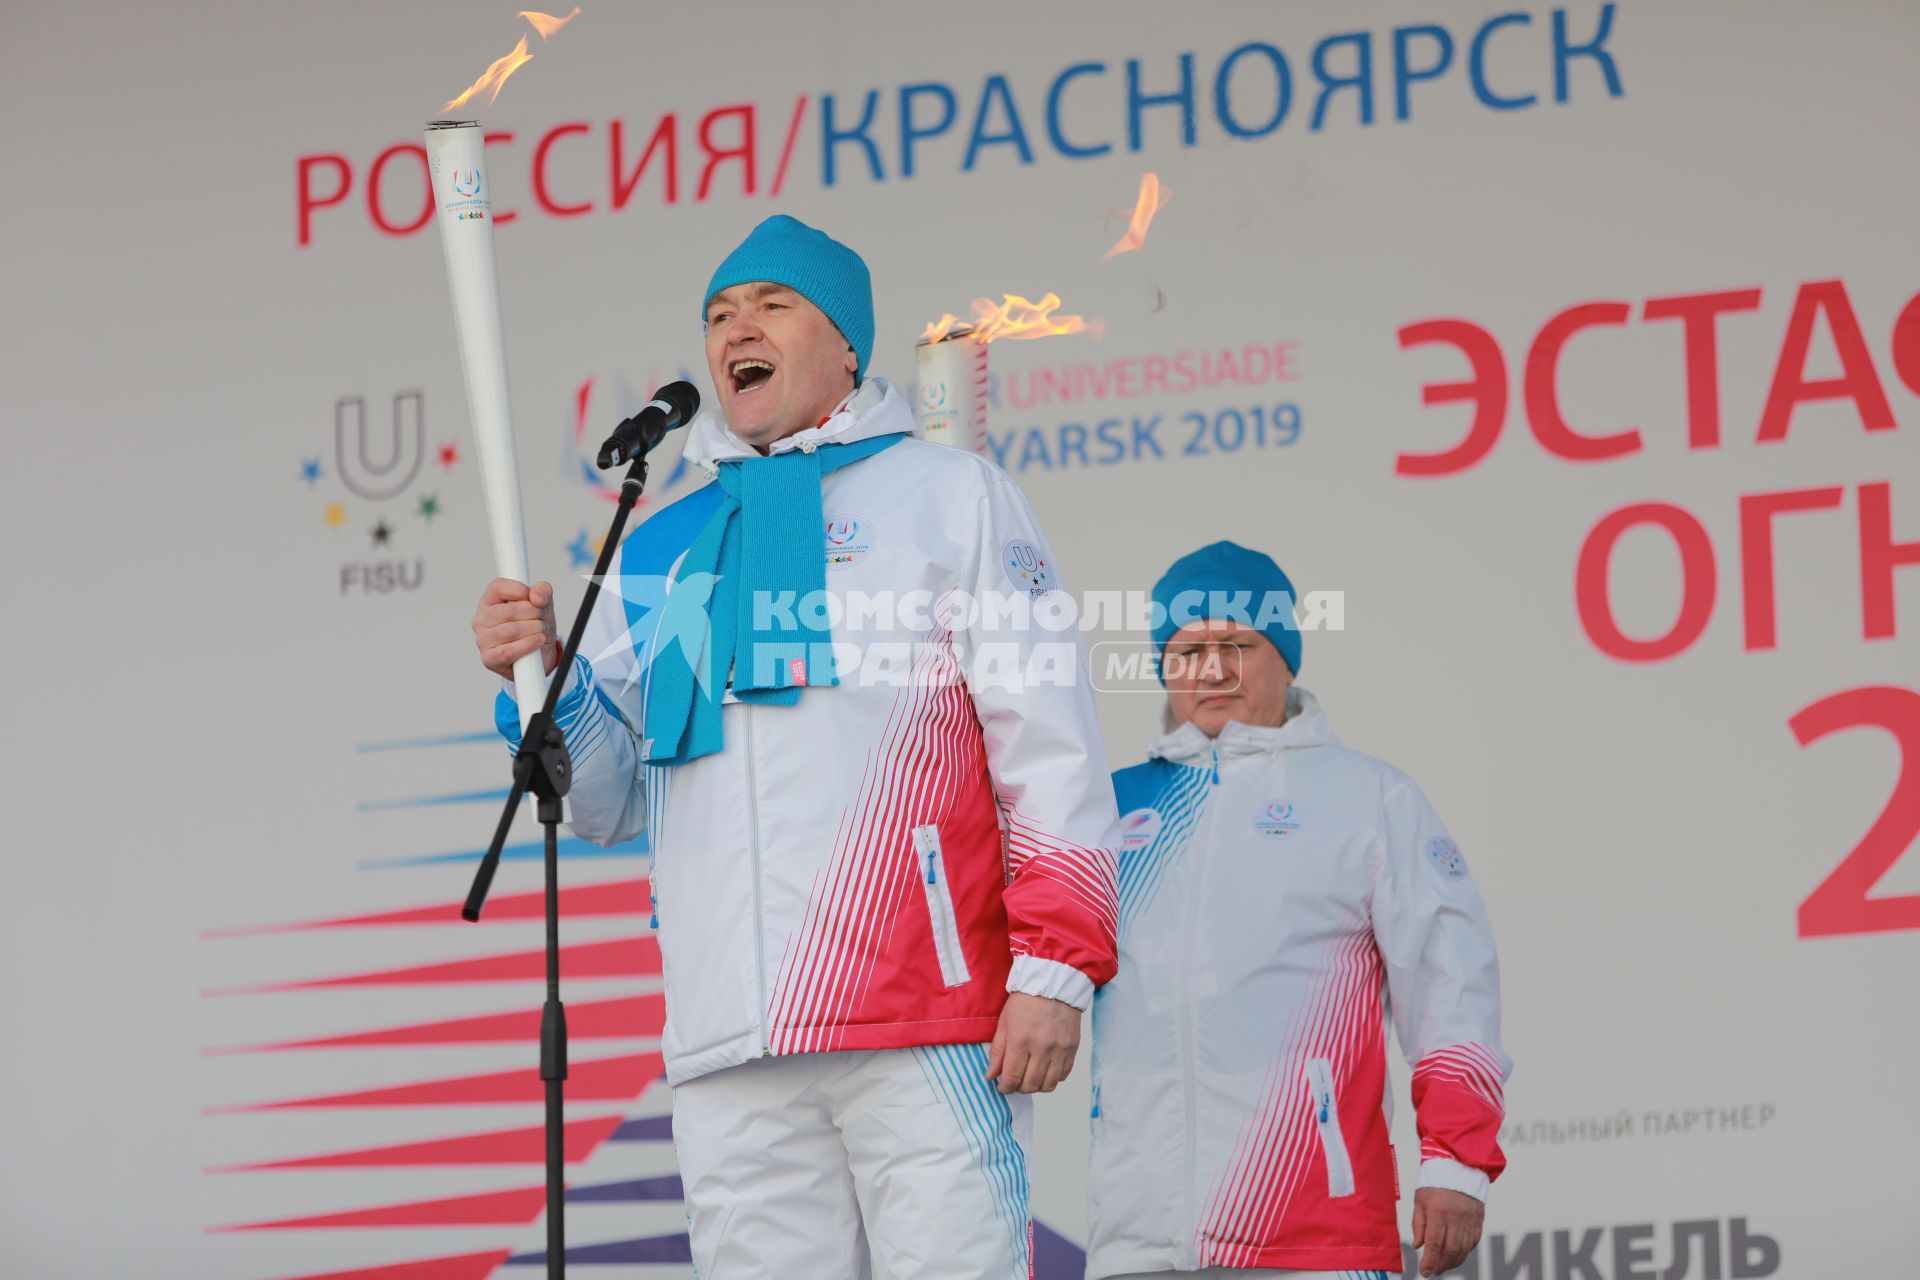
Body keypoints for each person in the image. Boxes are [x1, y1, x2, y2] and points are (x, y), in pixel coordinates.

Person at [469, 215, 1118, 1279]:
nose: (737, 330)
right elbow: (608, 799)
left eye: (771, 304)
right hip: (730, 1037)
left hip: (921, 1019)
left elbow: (1049, 745)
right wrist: (547, 676)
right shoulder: (664, 539)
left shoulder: (949, 498)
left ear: (847, 345)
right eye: (719, 314)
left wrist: (1055, 968)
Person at [1086, 541, 1510, 1280]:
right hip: (1137, 1242)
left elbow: (1453, 991)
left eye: (1236, 644)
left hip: (1316, 1236)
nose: (1211, 669)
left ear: (1285, 656)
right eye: (1186, 650)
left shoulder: (1368, 797)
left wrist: (1457, 1164)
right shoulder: (1109, 807)